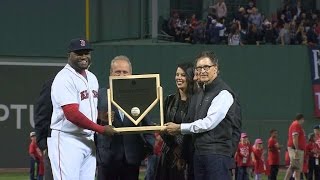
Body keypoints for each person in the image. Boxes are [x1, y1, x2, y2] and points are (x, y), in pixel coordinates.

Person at [165, 51, 242, 180]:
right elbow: (192, 122)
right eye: (199, 68)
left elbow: (209, 123)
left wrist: (179, 127)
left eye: (206, 67)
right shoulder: (200, 93)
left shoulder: (224, 93)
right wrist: (184, 153)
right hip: (199, 155)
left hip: (217, 156)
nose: (202, 71)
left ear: (215, 69)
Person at [47, 38, 116, 180]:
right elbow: (72, 114)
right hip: (67, 140)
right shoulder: (64, 78)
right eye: (79, 53)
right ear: (69, 55)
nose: (84, 56)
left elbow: (86, 108)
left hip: (88, 140)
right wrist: (101, 129)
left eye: (87, 53)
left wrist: (99, 116)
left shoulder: (92, 78)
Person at [96, 55, 155, 180]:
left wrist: (150, 149)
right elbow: (91, 122)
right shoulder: (100, 95)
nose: (121, 75)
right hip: (107, 158)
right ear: (110, 74)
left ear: (131, 74)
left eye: (125, 72)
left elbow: (147, 125)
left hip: (131, 157)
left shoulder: (139, 97)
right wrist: (100, 118)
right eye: (118, 72)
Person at [156, 62, 196, 180]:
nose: (179, 77)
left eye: (183, 75)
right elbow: (163, 127)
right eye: (177, 74)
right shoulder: (169, 100)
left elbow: (195, 128)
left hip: (190, 156)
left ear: (190, 77)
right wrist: (174, 148)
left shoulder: (197, 102)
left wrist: (182, 153)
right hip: (169, 154)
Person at [34, 78, 54, 180]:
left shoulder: (91, 82)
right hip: (55, 146)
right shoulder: (54, 83)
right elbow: (42, 114)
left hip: (85, 146)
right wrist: (43, 144)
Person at [284, 113, 306, 180]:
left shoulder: (296, 124)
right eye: (303, 119)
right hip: (295, 149)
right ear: (301, 119)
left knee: (293, 167)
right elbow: (295, 137)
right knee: (296, 168)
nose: (303, 121)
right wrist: (296, 149)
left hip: (296, 149)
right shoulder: (296, 124)